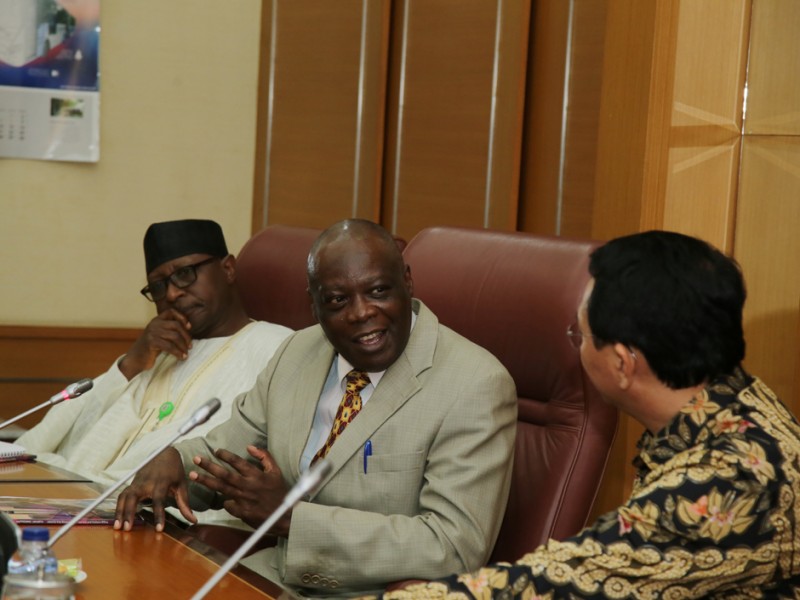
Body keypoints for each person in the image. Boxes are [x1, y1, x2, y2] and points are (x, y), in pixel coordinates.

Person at [376, 230, 800, 599]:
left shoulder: (730, 481)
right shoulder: (734, 403)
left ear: (622, 363)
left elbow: (558, 585)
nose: (577, 344)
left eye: (579, 333)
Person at [114, 219, 518, 597]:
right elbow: (228, 455)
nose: (362, 312)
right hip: (273, 577)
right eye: (338, 300)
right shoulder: (297, 352)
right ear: (314, 305)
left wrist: (292, 518)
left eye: (379, 291)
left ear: (407, 282)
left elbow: (453, 546)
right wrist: (176, 463)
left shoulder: (474, 383)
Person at [18, 219, 293, 495]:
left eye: (185, 273)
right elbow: (74, 442)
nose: (172, 293)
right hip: (85, 498)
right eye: (158, 286)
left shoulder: (276, 347)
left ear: (228, 269)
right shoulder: (157, 351)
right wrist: (132, 364)